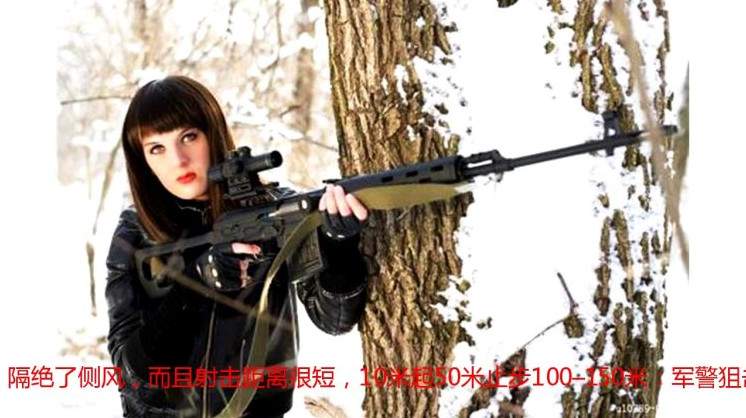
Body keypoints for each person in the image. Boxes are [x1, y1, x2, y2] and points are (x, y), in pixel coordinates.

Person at [105, 75, 369, 417]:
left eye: (188, 137)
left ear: (212, 134)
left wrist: (339, 247)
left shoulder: (278, 211)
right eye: (157, 148)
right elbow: (131, 374)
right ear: (142, 160)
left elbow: (333, 320)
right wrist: (196, 283)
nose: (178, 160)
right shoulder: (135, 231)